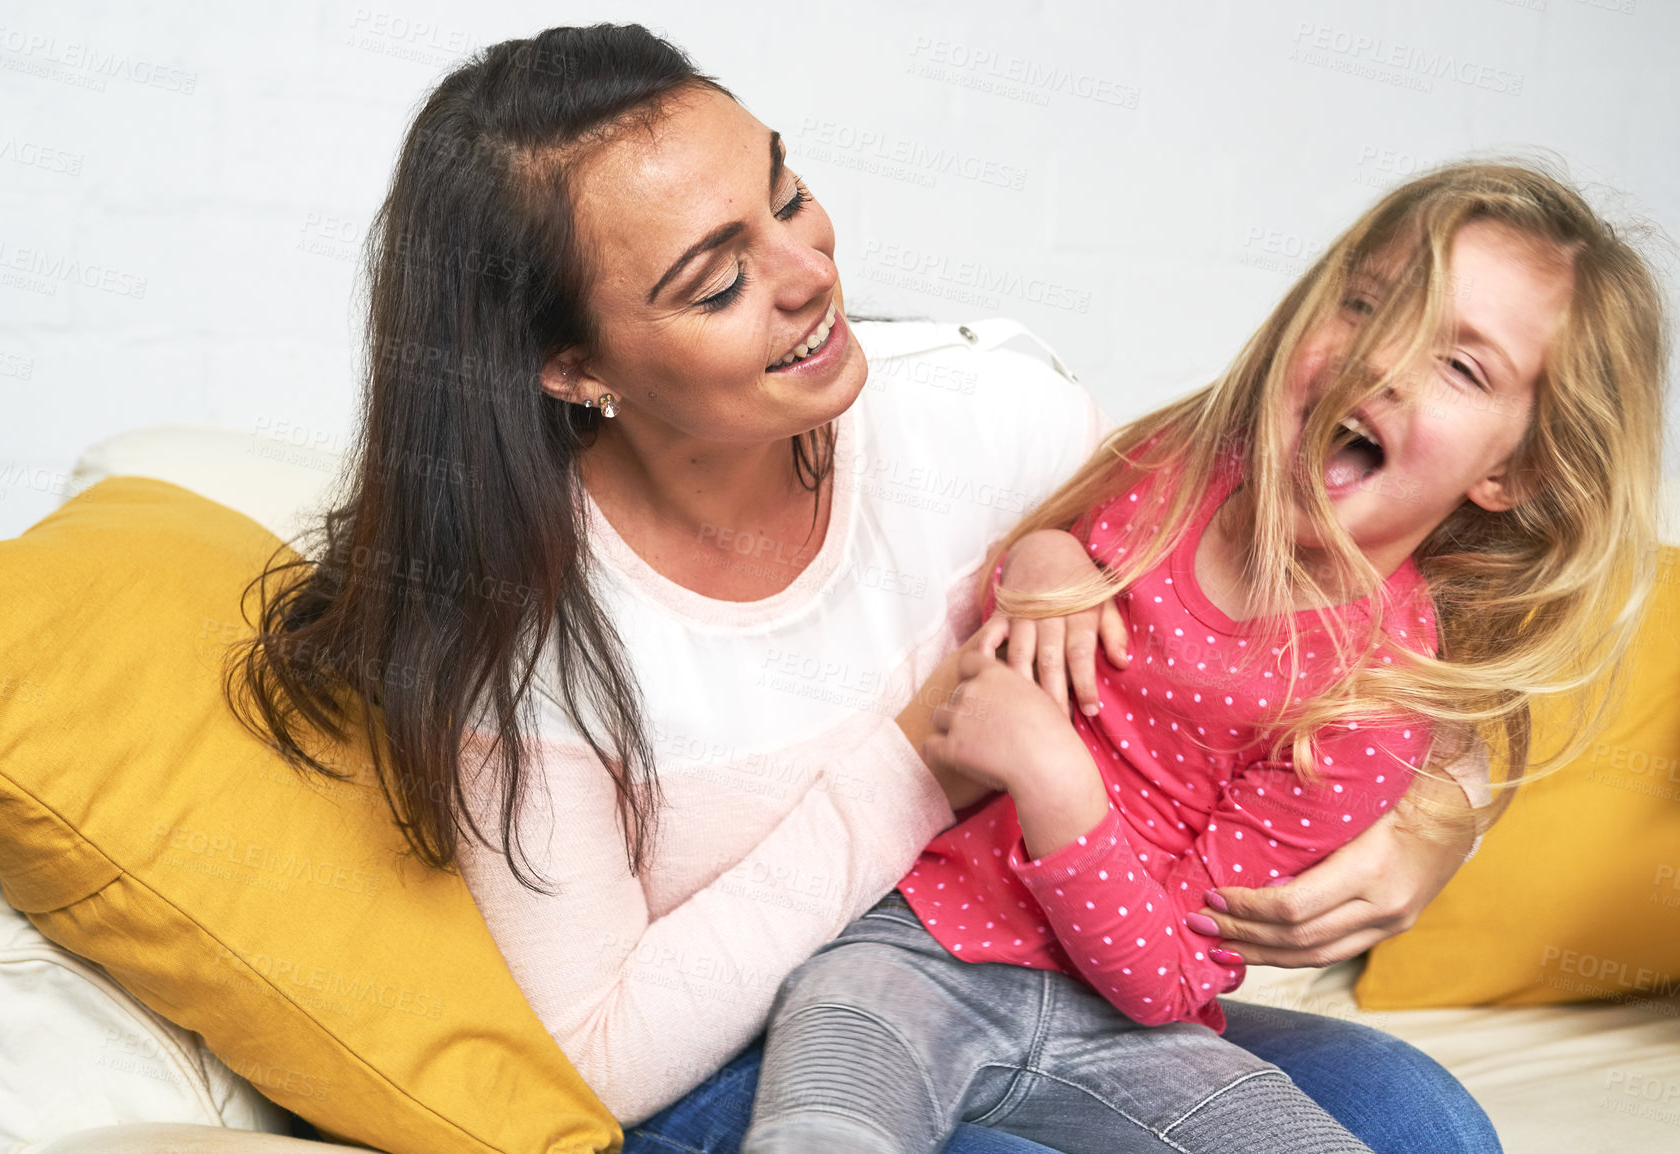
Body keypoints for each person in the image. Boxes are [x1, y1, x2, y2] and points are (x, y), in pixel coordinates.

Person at [228, 23, 1521, 1153]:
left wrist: (1440, 812)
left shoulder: (989, 415)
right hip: (730, 1051)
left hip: (1038, 970)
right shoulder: (531, 637)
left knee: (1416, 1120)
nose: (806, 274)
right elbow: (598, 1051)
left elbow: (1321, 605)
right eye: (717, 277)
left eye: (786, 196)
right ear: (572, 363)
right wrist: (929, 756)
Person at [741, 162, 1666, 1154]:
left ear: (1508, 472)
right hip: (910, 952)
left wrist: (1050, 775)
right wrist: (1042, 563)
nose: (1384, 361)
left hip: (1128, 1030)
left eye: (1462, 366)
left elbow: (1166, 978)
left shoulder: (1376, 704)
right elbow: (1051, 558)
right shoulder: (1179, 473)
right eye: (1366, 304)